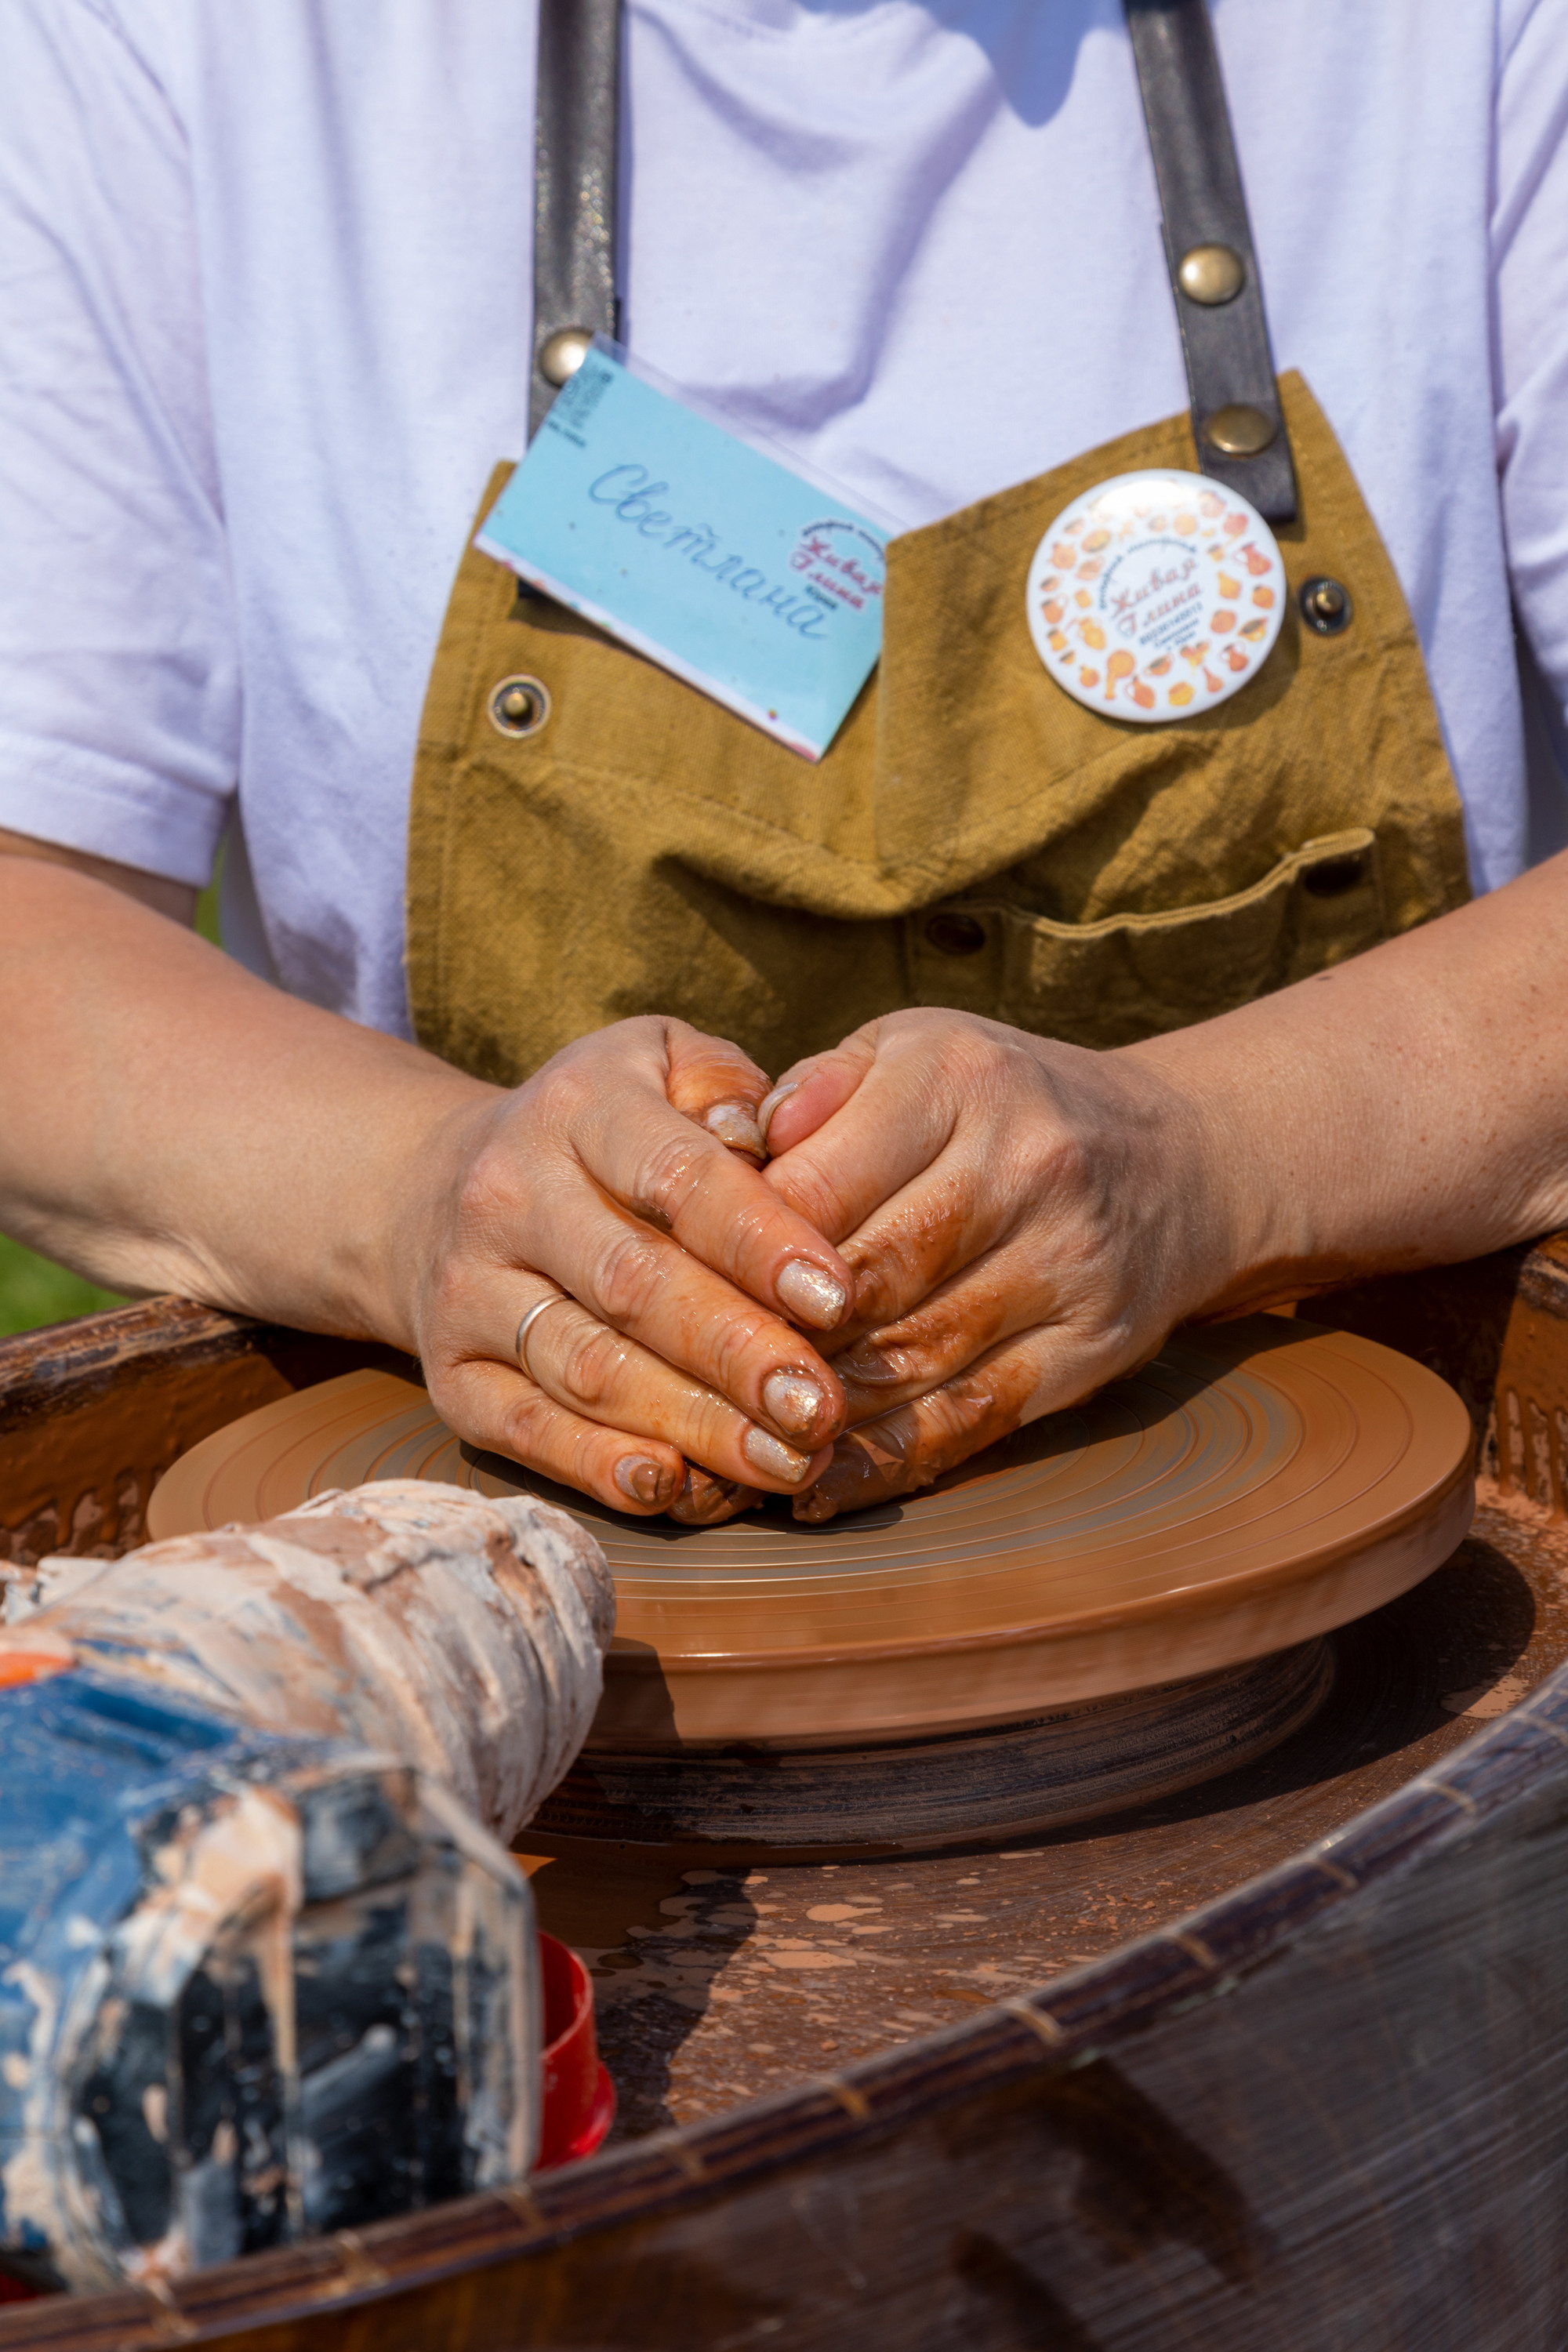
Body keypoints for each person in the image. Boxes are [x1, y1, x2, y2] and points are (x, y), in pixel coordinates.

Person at [2, 0, 1566, 1530]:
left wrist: (1210, 1163)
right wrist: (423, 1195)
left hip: (1354, 1563)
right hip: (494, 1598)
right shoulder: (175, 44)